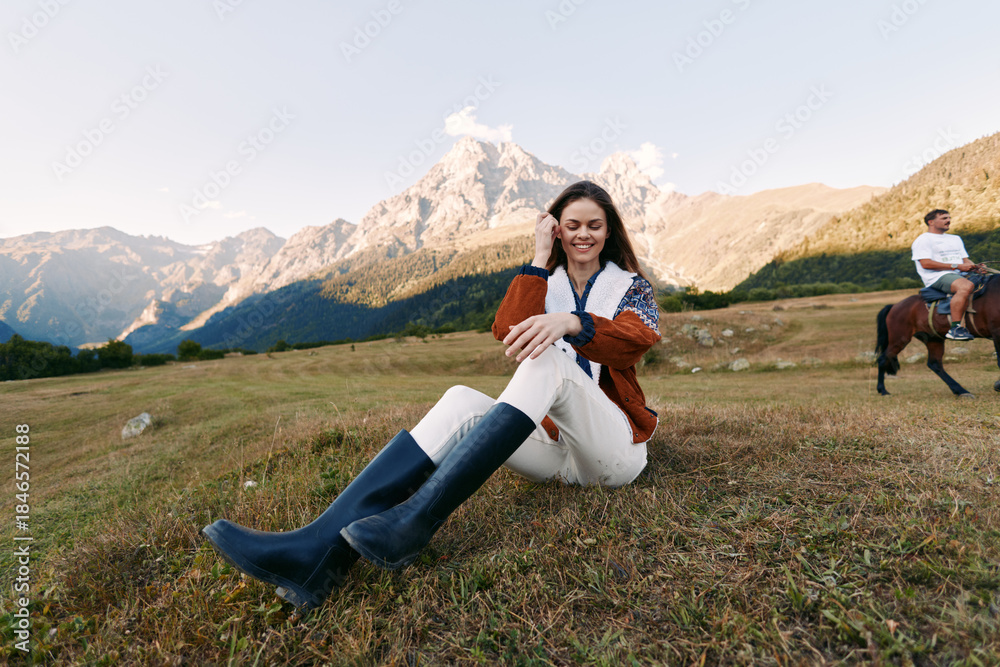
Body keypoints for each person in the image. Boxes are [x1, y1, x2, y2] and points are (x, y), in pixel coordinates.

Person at [202, 180, 661, 610]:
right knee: (462, 397)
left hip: (612, 456)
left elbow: (635, 339)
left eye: (594, 225)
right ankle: (316, 553)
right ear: (557, 230)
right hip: (556, 457)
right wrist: (540, 259)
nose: (584, 234)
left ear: (608, 231)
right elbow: (509, 331)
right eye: (572, 225)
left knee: (547, 360)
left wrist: (572, 321)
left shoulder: (631, 287)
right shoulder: (547, 281)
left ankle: (415, 522)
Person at [911, 209, 985, 341]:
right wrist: (956, 266)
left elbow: (965, 260)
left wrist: (976, 268)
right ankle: (956, 328)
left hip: (959, 273)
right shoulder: (923, 240)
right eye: (944, 218)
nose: (948, 220)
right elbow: (926, 264)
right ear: (931, 222)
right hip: (937, 276)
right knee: (965, 286)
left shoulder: (955, 238)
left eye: (949, 217)